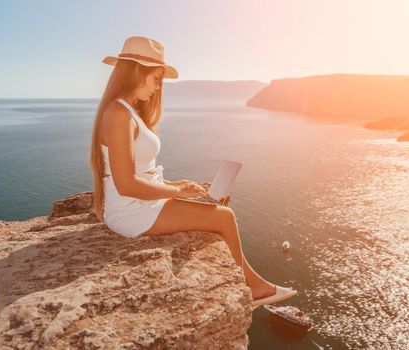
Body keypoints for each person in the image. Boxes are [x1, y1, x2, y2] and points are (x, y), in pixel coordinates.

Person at [89, 36, 296, 308]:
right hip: (131, 211)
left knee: (211, 205)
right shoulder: (118, 114)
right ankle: (254, 288)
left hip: (144, 203)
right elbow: (127, 184)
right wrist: (177, 191)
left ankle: (253, 283)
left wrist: (181, 185)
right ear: (137, 71)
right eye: (156, 78)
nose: (157, 87)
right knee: (224, 217)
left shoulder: (127, 111)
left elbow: (144, 172)